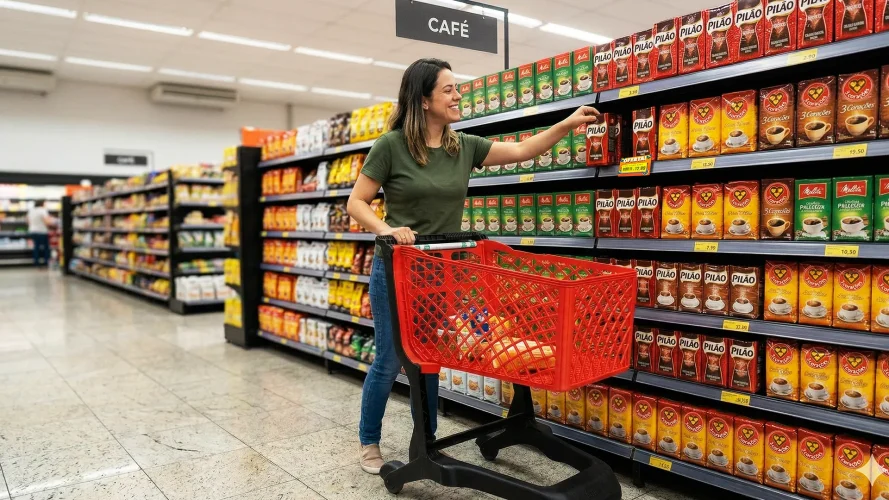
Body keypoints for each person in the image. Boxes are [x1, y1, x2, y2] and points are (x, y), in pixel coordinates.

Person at [347, 57, 601, 474]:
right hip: (396, 271)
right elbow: (357, 203)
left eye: (456, 88)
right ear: (423, 99)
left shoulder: (461, 146)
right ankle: (369, 442)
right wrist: (387, 229)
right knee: (390, 359)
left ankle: (424, 443)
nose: (458, 95)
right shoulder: (390, 146)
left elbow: (522, 150)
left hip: (442, 272)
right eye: (448, 89)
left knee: (427, 358)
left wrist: (566, 124)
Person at [27, 200, 54, 266]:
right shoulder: (43, 210)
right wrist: (52, 224)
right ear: (42, 204)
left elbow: (28, 221)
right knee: (46, 247)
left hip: (32, 230)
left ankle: (36, 262)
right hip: (42, 231)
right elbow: (47, 222)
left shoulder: (31, 210)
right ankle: (46, 262)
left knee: (36, 247)